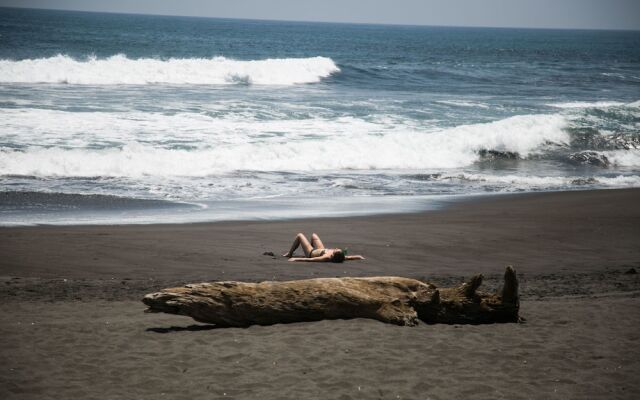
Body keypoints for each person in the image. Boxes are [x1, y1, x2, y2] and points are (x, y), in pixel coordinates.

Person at [283, 233, 365, 263]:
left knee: (300, 235)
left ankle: (289, 254)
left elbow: (311, 260)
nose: (336, 248)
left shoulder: (326, 257)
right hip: (321, 249)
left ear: (332, 255)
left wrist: (295, 259)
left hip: (311, 253)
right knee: (314, 235)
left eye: (336, 250)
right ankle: (309, 245)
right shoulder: (341, 256)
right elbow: (350, 257)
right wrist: (359, 257)